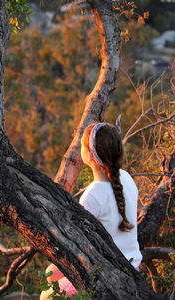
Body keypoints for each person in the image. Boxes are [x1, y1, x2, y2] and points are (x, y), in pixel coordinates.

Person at [40, 122, 142, 300]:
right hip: (133, 266)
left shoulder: (92, 195)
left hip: (108, 274)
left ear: (90, 155)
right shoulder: (126, 177)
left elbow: (79, 243)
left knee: (47, 295)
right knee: (50, 273)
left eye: (82, 145)